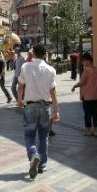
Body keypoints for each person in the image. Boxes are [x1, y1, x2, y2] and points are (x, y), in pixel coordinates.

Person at [17, 43, 59, 180]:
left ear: (33, 53)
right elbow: (53, 92)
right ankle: (41, 165)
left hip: (30, 106)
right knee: (43, 137)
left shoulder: (26, 66)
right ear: (46, 54)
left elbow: (21, 86)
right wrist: (56, 110)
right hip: (45, 106)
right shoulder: (51, 69)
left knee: (29, 136)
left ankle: (33, 154)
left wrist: (19, 100)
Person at [72, 52, 97, 136]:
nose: (82, 63)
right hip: (96, 96)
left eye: (83, 61)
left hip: (87, 97)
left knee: (87, 114)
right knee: (95, 114)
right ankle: (95, 131)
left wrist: (74, 86)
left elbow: (82, 82)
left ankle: (88, 131)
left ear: (88, 61)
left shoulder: (86, 71)